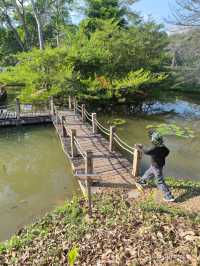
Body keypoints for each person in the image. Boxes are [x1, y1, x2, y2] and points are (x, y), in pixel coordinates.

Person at [136, 131, 175, 202]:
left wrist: (139, 147)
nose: (151, 140)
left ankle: (169, 196)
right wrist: (161, 156)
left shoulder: (154, 149)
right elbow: (167, 152)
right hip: (157, 165)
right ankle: (142, 181)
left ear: (154, 141)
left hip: (157, 167)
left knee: (159, 182)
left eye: (152, 139)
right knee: (149, 172)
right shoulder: (164, 148)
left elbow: (146, 152)